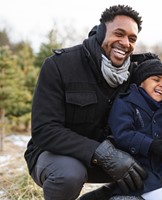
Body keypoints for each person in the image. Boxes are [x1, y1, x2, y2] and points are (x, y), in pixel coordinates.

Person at [24, 5, 149, 200]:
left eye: (132, 39)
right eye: (119, 34)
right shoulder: (60, 65)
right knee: (69, 175)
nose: (125, 43)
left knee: (151, 168)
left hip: (110, 159)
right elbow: (44, 130)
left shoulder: (133, 73)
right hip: (57, 155)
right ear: (101, 32)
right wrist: (103, 153)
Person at [107, 57, 162, 200]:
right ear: (141, 82)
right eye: (156, 80)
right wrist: (149, 145)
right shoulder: (125, 102)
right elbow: (122, 134)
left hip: (160, 167)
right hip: (137, 169)